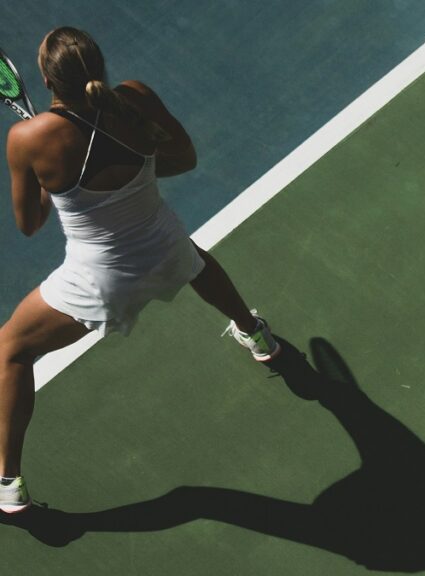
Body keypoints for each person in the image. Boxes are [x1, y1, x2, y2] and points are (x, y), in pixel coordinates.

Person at [0, 27, 280, 514]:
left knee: (10, 350)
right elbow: (184, 159)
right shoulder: (135, 97)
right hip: (164, 246)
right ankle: (257, 334)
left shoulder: (28, 138)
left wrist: (49, 183)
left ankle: (7, 483)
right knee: (191, 257)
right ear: (98, 67)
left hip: (100, 283)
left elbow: (29, 224)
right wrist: (134, 175)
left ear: (45, 79)